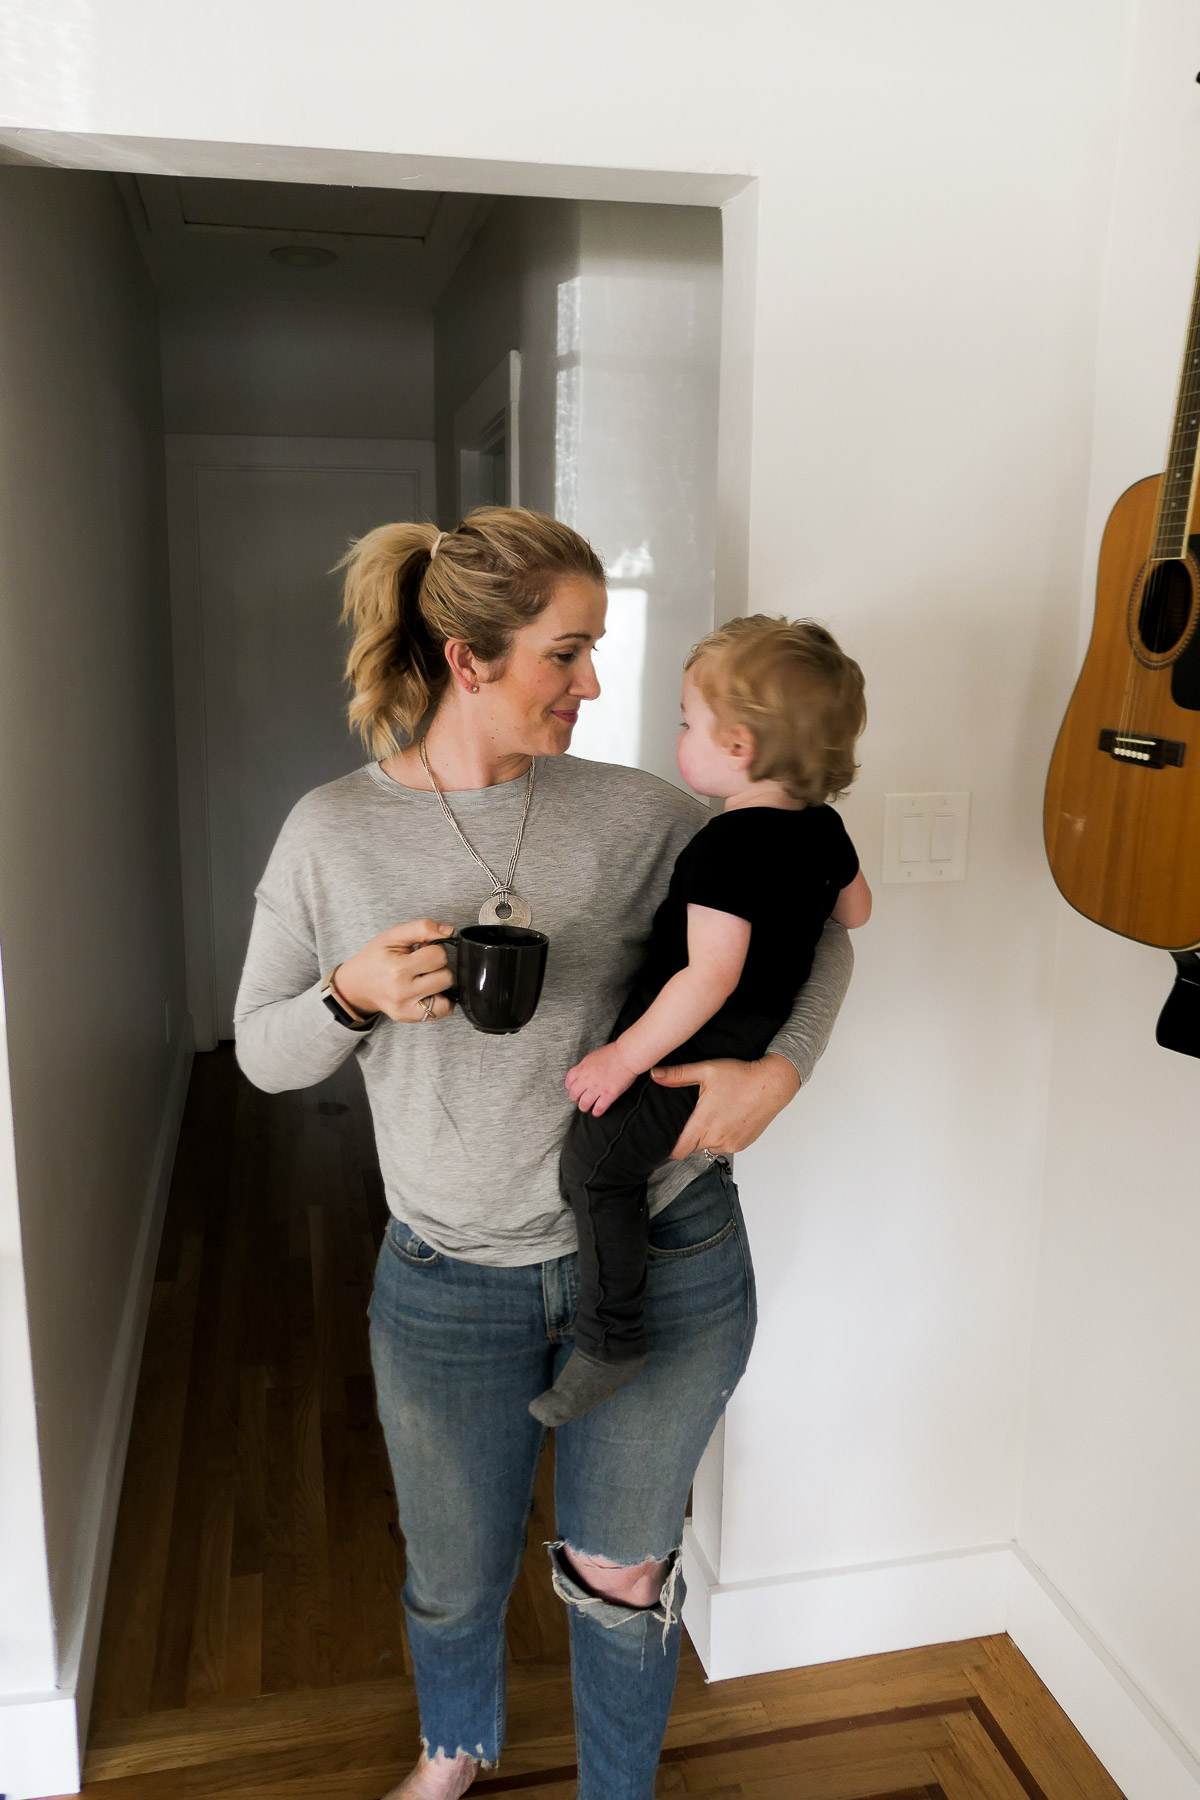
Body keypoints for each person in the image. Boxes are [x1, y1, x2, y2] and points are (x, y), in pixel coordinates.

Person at [234, 508, 855, 1800]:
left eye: (596, 653)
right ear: (468, 660)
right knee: (453, 1573)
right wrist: (347, 995)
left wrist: (778, 1069)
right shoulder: (329, 836)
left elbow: (816, 922)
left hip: (668, 1252)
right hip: (451, 1277)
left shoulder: (644, 816)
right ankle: (456, 1753)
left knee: (622, 1569)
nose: (593, 685)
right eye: (566, 656)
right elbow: (260, 1051)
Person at [531, 617, 870, 1428]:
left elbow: (706, 980)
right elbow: (854, 912)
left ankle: (610, 1339)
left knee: (595, 1168)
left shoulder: (724, 846)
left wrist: (619, 1058)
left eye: (688, 724)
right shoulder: (822, 827)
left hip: (688, 1059)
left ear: (740, 747)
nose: (679, 737)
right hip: (749, 1046)